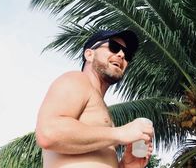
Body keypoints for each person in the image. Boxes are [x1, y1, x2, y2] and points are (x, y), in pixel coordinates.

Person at [35, 29, 154, 168]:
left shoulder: (101, 110)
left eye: (127, 54)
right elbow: (48, 133)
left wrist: (127, 164)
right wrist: (120, 133)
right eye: (113, 47)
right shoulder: (76, 80)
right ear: (89, 54)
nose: (121, 55)